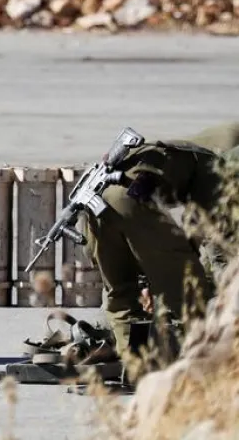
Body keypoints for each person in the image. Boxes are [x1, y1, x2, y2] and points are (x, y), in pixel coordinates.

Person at [84, 122, 239, 371]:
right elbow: (213, 245)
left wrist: (148, 280)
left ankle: (132, 360)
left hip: (94, 202)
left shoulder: (206, 142)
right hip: (131, 201)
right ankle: (189, 361)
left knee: (121, 297)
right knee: (191, 296)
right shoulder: (226, 168)